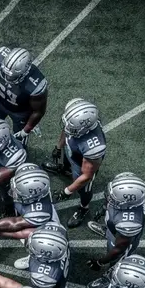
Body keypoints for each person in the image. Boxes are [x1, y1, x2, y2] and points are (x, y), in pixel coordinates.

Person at [43, 98, 107, 228]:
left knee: (84, 189)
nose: (67, 127)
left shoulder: (93, 147)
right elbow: (67, 130)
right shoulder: (77, 122)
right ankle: (64, 168)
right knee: (67, 160)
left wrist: (66, 191)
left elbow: (86, 176)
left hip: (81, 164)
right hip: (72, 151)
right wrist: (59, 147)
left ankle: (84, 208)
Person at [85, 172, 145, 288]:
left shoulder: (128, 224)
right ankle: (109, 230)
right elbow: (110, 200)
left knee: (117, 261)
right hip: (117, 227)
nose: (110, 196)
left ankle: (109, 277)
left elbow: (119, 250)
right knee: (113, 228)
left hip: (122, 240)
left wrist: (100, 262)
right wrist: (103, 210)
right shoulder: (132, 194)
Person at [0, 47, 48, 144]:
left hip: (20, 113)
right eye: (6, 73)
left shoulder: (35, 84)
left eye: (13, 76)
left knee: (19, 144)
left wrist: (25, 130)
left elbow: (38, 112)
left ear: (25, 72)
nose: (8, 77)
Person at [15, 223, 72, 288]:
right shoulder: (59, 231)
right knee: (61, 282)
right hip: (62, 274)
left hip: (51, 284)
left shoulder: (43, 277)